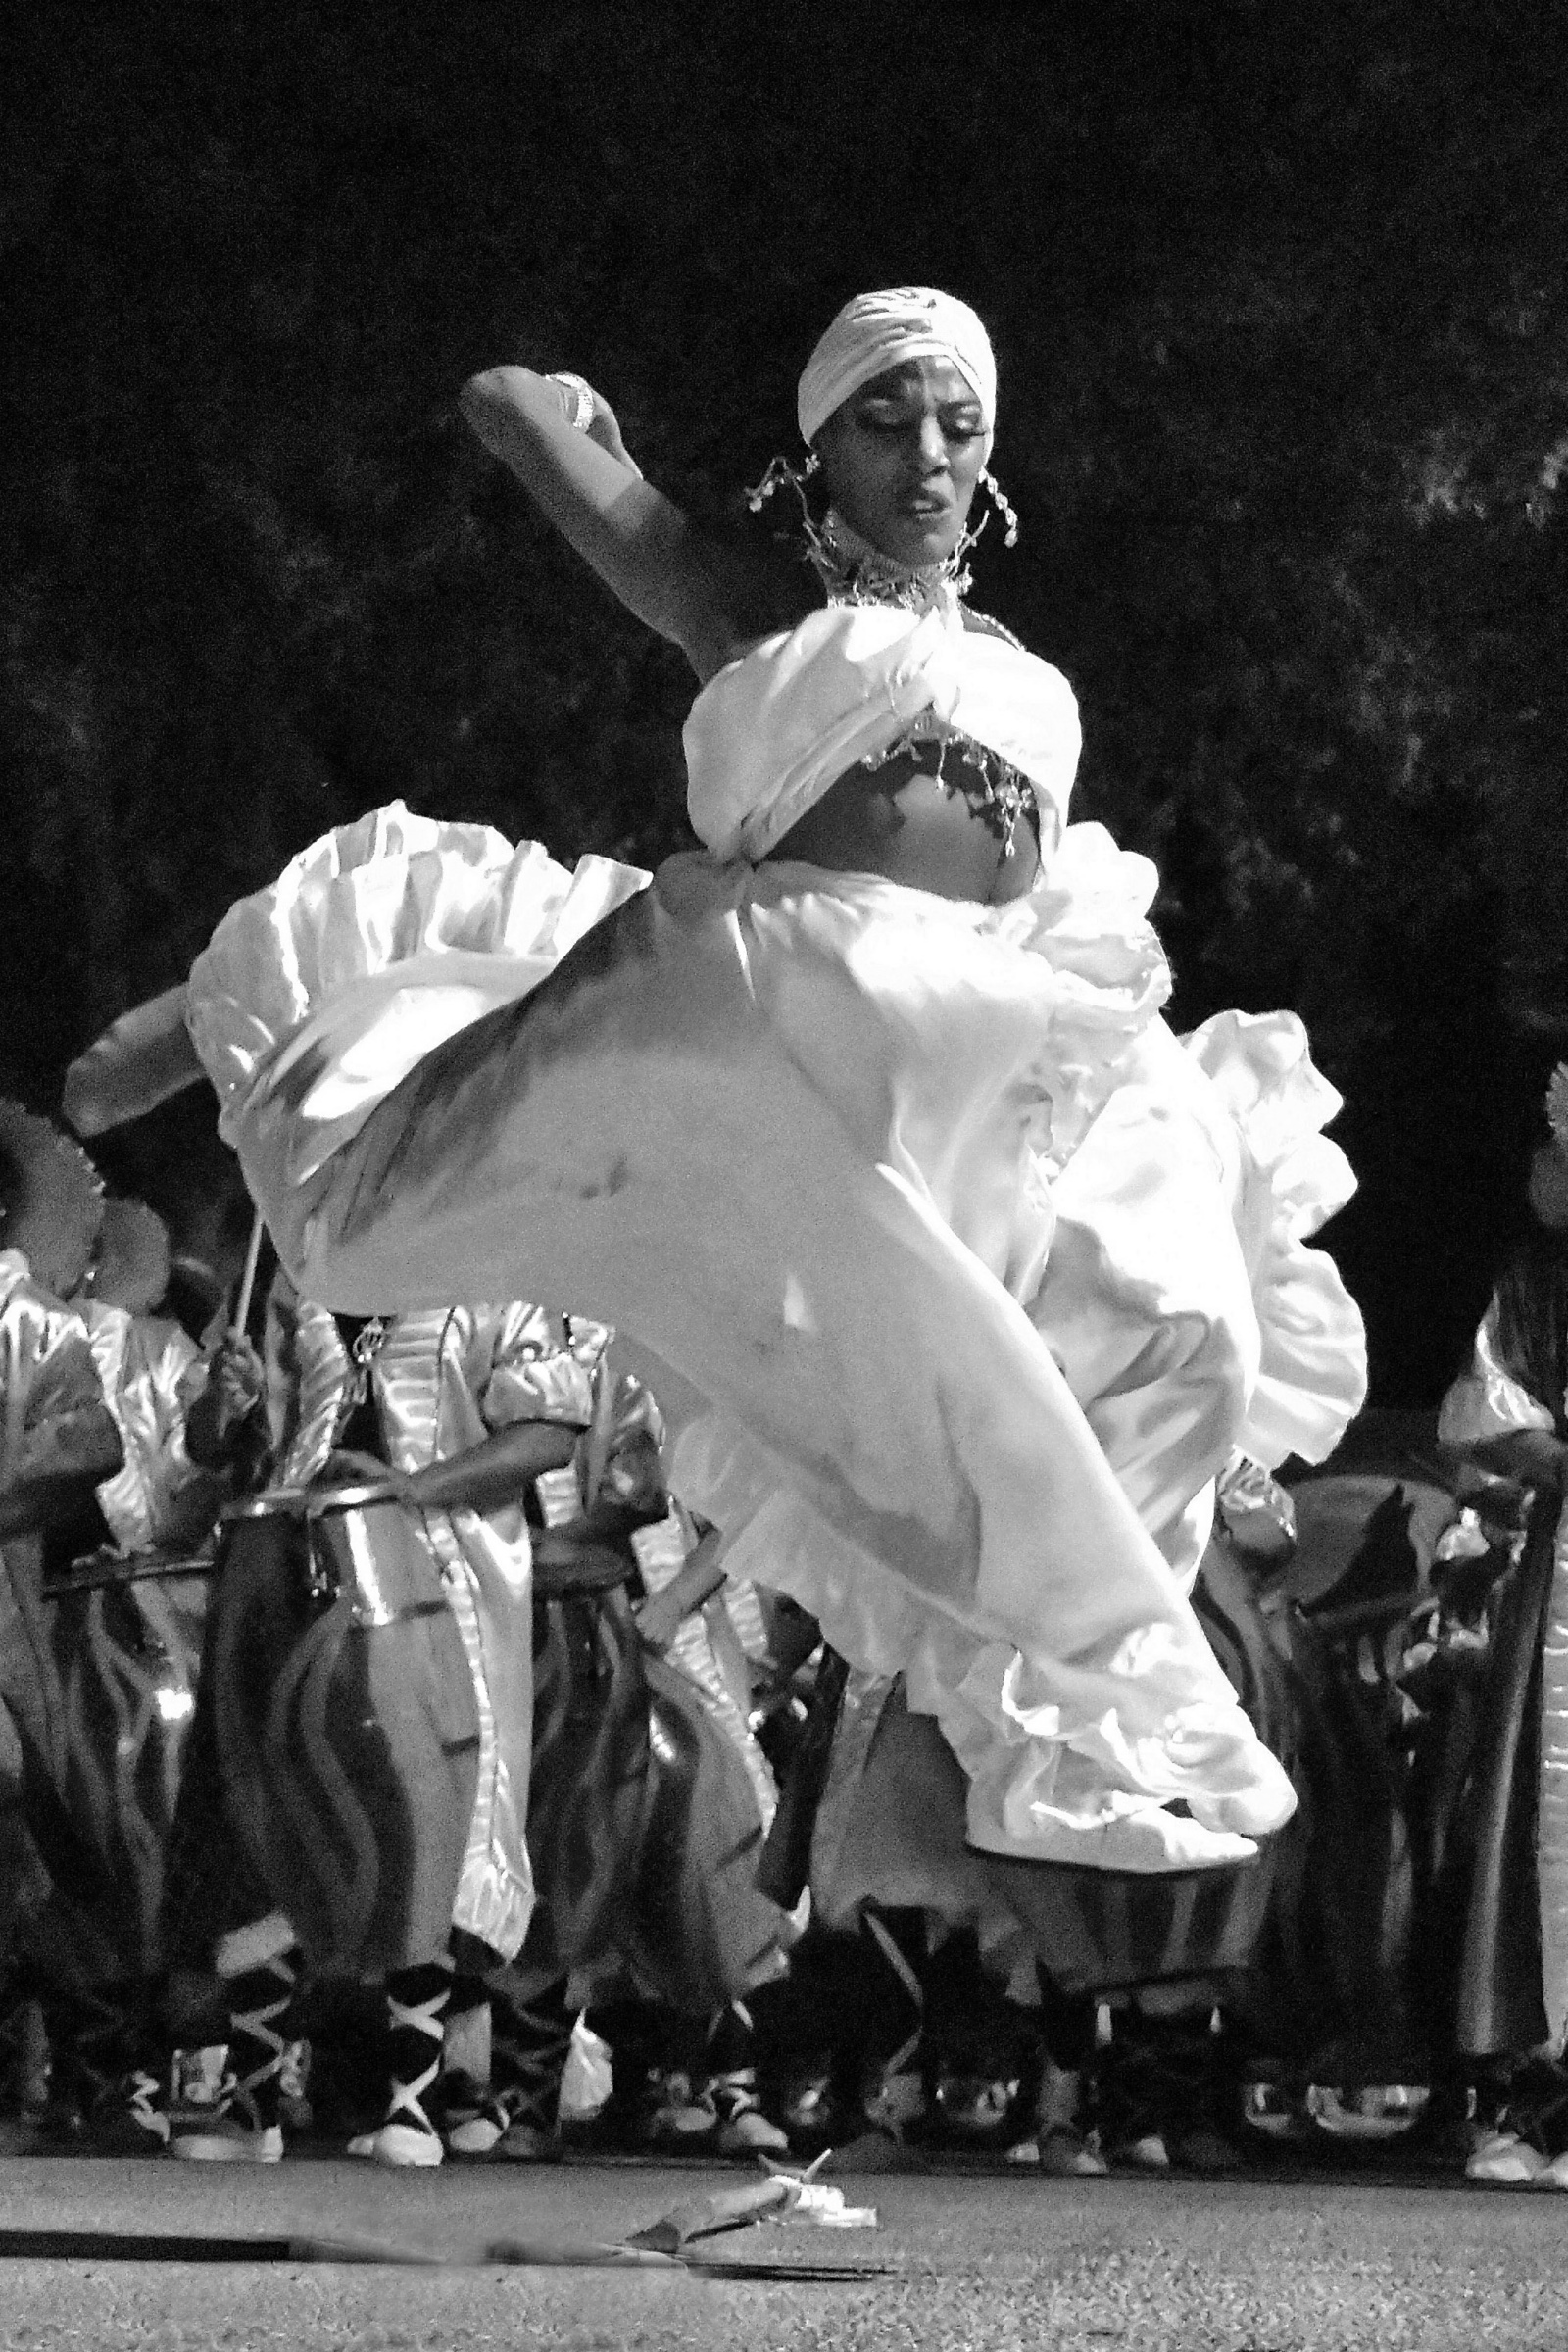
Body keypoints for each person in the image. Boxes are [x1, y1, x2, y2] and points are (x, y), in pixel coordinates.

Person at [184, 287, 1364, 1893]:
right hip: (799, 1003)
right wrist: (560, 415)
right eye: (885, 422)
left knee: (1186, 1316)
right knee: (920, 1372)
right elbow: (502, 408)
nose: (928, 454)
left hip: (979, 1021)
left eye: (957, 424)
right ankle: (1065, 1724)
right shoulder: (756, 596)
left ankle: (1059, 1745)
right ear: (819, 457)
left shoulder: (1009, 663)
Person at [1434, 1066, 1568, 2185]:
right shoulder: (1538, 1283)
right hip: (1565, 1579)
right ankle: (1544, 2108)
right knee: (1546, 1825)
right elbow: (1492, 1412)